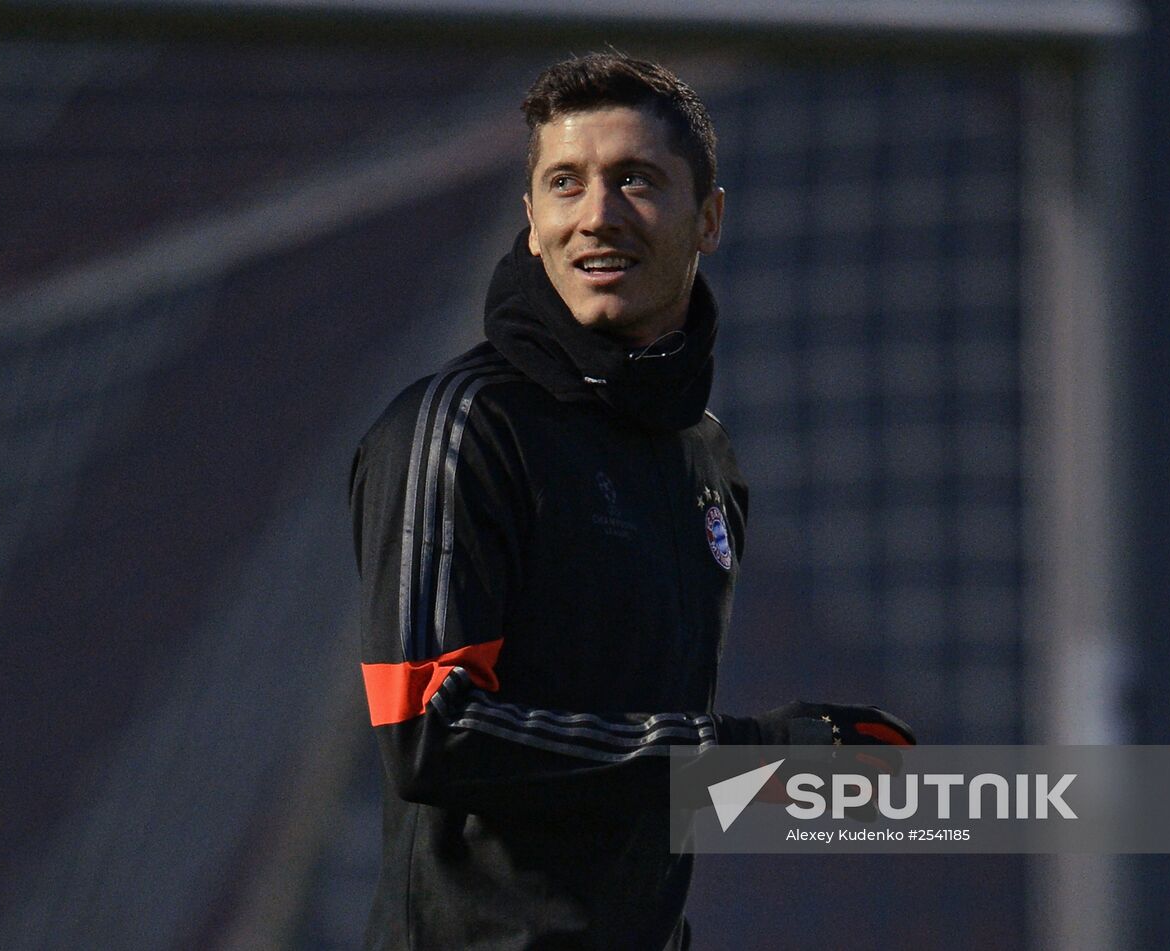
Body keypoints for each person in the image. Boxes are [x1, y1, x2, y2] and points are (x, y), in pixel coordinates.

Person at [349, 52, 915, 951]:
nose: (597, 216)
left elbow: (636, 788)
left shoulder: (706, 456)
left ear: (709, 220)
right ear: (530, 221)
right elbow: (432, 732)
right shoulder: (463, 426)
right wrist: (748, 755)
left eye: (637, 181)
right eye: (565, 183)